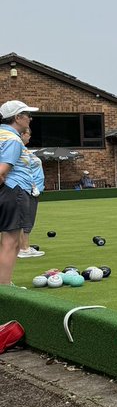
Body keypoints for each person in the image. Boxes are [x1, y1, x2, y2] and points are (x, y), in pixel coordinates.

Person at [0, 100, 38, 286]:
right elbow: (2, 170)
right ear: (17, 117)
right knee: (11, 242)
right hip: (14, 191)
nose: (30, 118)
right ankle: (5, 287)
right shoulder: (13, 140)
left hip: (8, 191)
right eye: (27, 114)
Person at [18, 126, 44, 258]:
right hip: (28, 189)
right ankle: (24, 248)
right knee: (25, 219)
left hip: (34, 189)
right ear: (21, 134)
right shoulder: (16, 149)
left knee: (29, 218)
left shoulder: (25, 151)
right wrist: (33, 186)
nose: (29, 137)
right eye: (28, 134)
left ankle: (24, 246)